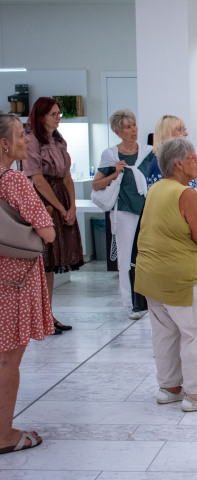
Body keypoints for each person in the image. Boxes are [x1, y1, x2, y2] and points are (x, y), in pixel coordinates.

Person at [134, 137, 197, 412]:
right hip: (180, 279)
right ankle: (196, 395)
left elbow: (170, 225)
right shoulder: (187, 194)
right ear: (178, 163)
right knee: (195, 333)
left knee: (165, 334)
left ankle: (170, 388)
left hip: (151, 276)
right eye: (193, 157)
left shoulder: (157, 189)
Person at [0, 114, 56, 454]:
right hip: (13, 280)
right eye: (21, 135)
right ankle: (5, 433)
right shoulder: (16, 181)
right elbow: (47, 231)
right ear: (5, 143)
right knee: (8, 359)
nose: (27, 140)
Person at [24, 97, 84, 335]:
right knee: (44, 261)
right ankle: (42, 317)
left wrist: (73, 206)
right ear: (40, 117)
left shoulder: (59, 141)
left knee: (51, 264)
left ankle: (47, 315)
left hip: (60, 198)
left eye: (59, 113)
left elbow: (67, 176)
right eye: (53, 114)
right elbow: (37, 179)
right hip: (44, 201)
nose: (58, 117)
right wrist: (60, 208)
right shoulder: (31, 141)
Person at [93, 109, 153, 319]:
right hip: (124, 211)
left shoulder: (148, 152)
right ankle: (129, 305)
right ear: (119, 131)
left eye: (134, 124)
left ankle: (148, 301)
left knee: (147, 256)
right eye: (128, 126)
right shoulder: (110, 154)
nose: (134, 129)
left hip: (147, 211)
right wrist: (116, 173)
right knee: (125, 259)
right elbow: (97, 184)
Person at [145, 115, 197, 189]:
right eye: (180, 130)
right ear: (167, 134)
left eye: (185, 129)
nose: (186, 133)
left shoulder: (178, 159)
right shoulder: (160, 164)